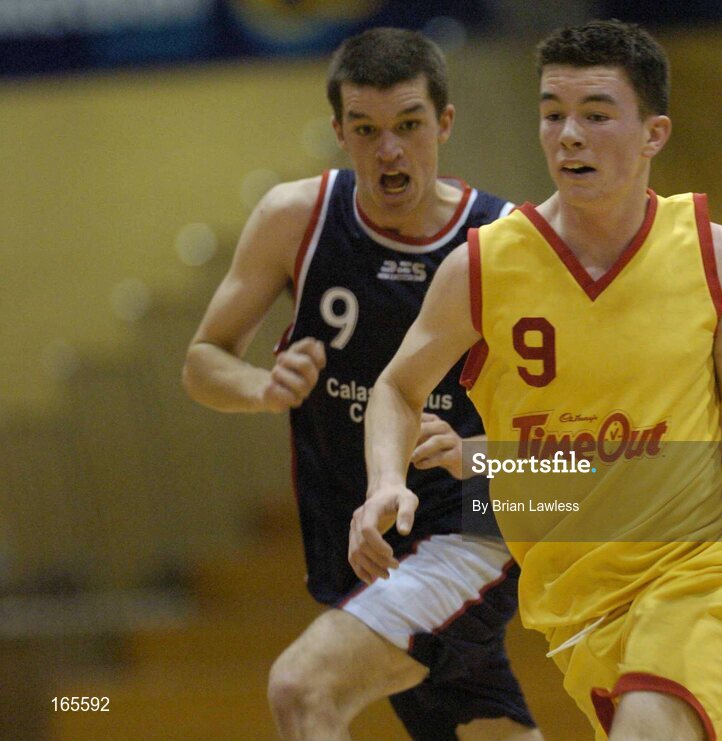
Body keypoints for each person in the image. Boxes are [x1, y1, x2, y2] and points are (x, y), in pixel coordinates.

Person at [352, 20, 722, 741]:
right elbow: (399, 389)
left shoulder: (711, 252)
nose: (568, 135)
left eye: (595, 114)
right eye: (553, 113)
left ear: (654, 134)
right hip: (576, 603)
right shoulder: (484, 268)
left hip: (709, 562)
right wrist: (384, 483)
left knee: (651, 723)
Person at [183, 27, 540, 741]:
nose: (390, 150)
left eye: (409, 125)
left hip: (471, 530)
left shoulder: (503, 241)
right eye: (367, 129)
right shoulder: (298, 219)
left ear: (444, 122)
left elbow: (571, 421)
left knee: (301, 688)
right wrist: (261, 386)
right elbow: (202, 361)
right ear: (340, 132)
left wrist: (478, 447)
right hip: (366, 544)